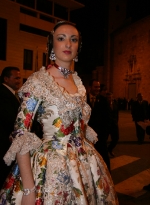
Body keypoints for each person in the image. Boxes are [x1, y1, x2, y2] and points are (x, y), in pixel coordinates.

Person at [0, 21, 118, 205]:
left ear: (79, 46)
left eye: (74, 39)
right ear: (51, 44)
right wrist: (29, 188)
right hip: (51, 167)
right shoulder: (38, 81)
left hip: (85, 162)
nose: (68, 44)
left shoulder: (78, 82)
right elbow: (20, 133)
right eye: (61, 38)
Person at [0, 67, 21, 188]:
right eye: (16, 78)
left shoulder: (11, 94)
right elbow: (10, 119)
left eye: (19, 78)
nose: (19, 80)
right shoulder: (3, 94)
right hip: (4, 144)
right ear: (6, 79)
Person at [88, 84, 111, 172]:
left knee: (103, 155)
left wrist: (105, 134)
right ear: (90, 87)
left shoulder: (103, 100)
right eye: (95, 87)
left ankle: (107, 173)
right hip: (87, 134)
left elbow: (108, 117)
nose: (97, 89)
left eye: (98, 87)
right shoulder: (84, 98)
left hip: (100, 135)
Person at [106, 92, 119, 157]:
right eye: (108, 97)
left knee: (116, 139)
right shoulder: (104, 105)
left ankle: (109, 149)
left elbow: (116, 114)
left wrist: (116, 122)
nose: (110, 99)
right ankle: (105, 152)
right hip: (106, 125)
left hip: (114, 125)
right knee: (104, 140)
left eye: (111, 97)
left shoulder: (115, 104)